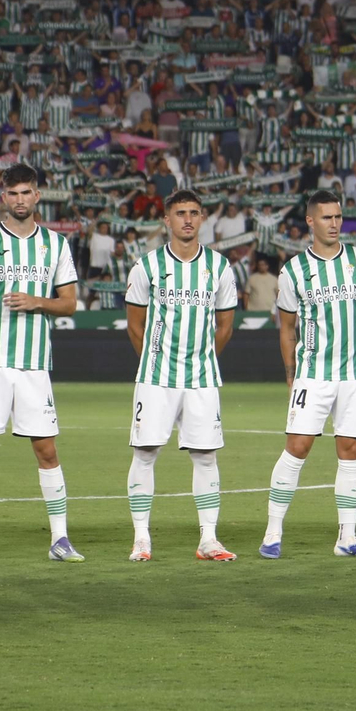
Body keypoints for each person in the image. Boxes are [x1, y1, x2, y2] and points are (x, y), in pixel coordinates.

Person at [0, 164, 83, 564]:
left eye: (27, 192)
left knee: (46, 449)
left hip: (33, 365)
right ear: (3, 198)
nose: (20, 199)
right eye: (13, 193)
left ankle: (60, 539)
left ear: (38, 196)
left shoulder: (55, 245)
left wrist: (37, 302)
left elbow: (70, 302)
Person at [259, 190, 356, 560]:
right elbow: (287, 328)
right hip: (314, 373)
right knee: (298, 447)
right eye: (327, 218)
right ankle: (272, 533)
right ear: (310, 222)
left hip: (355, 375)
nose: (335, 223)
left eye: (338, 217)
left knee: (351, 451)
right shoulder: (293, 271)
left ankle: (347, 538)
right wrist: (291, 376)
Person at [123, 190, 240, 562]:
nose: (187, 219)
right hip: (157, 377)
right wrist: (155, 362)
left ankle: (209, 539)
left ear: (202, 218)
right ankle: (141, 538)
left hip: (202, 378)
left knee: (206, 456)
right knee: (145, 452)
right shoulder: (147, 266)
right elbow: (134, 325)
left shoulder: (220, 268)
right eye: (180, 213)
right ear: (166, 221)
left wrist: (202, 360)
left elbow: (225, 326)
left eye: (193, 213)